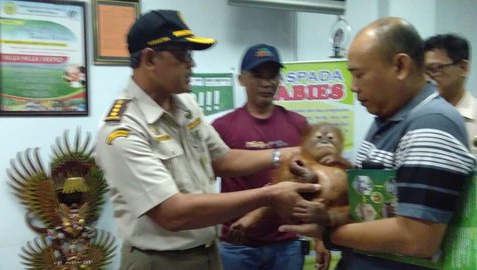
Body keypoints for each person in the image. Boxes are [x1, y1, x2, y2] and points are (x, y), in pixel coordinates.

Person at [94, 10, 320, 270]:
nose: (192, 65)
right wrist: (269, 195)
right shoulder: (122, 128)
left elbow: (223, 159)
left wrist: (286, 154)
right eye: (183, 55)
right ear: (150, 59)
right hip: (161, 261)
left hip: (207, 252)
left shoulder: (184, 103)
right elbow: (172, 213)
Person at [279, 17, 475, 269]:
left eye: (359, 75)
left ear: (400, 66)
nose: (353, 87)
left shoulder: (431, 124)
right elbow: (367, 205)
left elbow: (416, 238)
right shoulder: (388, 117)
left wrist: (327, 232)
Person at [211, 43, 309, 270]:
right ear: (241, 79)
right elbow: (206, 178)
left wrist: (321, 235)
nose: (267, 83)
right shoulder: (222, 127)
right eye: (257, 75)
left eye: (273, 75)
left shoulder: (298, 124)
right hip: (238, 244)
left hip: (287, 241)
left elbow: (310, 180)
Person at [424, 34, 477, 157]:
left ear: (463, 68)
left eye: (436, 69)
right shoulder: (416, 118)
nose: (427, 78)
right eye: (424, 71)